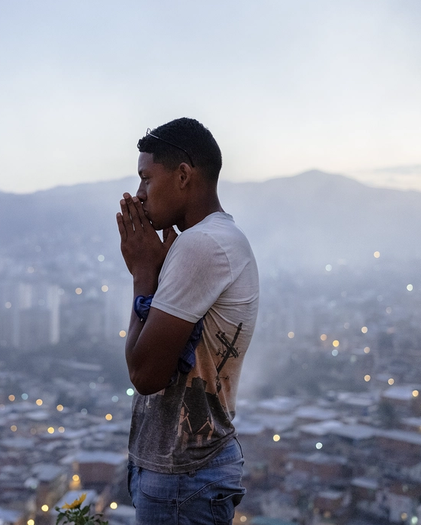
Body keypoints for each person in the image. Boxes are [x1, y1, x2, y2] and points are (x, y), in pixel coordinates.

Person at [116, 117, 260, 524]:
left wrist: (144, 276)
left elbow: (144, 373)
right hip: (184, 472)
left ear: (182, 175)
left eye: (146, 178)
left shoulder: (202, 244)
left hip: (184, 477)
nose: (139, 194)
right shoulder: (213, 240)